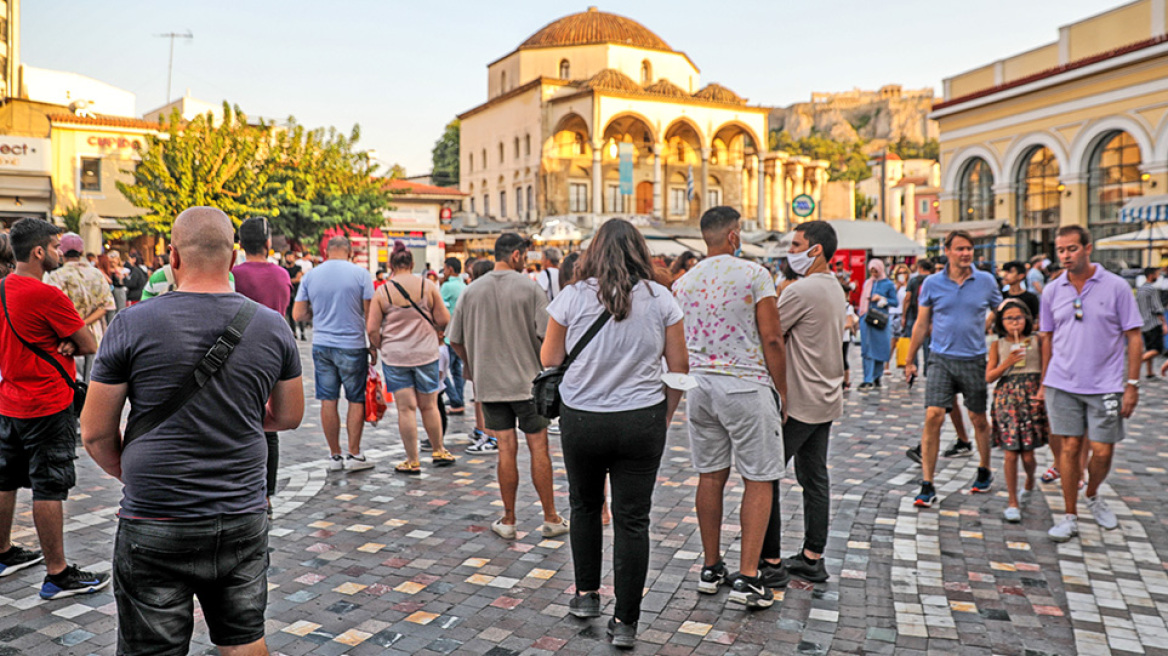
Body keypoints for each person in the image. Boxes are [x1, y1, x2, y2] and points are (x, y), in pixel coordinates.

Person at [82, 206, 304, 655]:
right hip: (241, 513)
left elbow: (94, 432)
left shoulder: (131, 323)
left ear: (173, 258)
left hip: (155, 517)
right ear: (233, 257)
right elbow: (288, 416)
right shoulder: (272, 326)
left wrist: (131, 473)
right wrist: (236, 414)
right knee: (244, 641)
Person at [541, 219, 686, 649]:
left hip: (582, 418)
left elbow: (550, 358)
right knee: (632, 520)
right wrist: (664, 416)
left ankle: (586, 596)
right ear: (640, 251)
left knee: (584, 505)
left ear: (594, 251)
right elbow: (679, 369)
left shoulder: (572, 296)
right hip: (641, 419)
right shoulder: (662, 298)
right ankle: (625, 621)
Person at [673, 206, 787, 610]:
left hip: (701, 388)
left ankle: (711, 567)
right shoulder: (755, 275)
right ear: (734, 236)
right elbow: (772, 339)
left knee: (710, 476)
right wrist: (783, 391)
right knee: (758, 478)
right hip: (745, 386)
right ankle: (749, 577)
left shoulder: (683, 283)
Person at [0, 218, 104, 600]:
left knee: (6, 478)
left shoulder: (2, 289)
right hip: (47, 403)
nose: (61, 253)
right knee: (49, 485)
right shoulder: (46, 296)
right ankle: (57, 574)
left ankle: (3, 553)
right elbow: (88, 342)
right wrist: (69, 344)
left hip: (9, 400)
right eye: (56, 247)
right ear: (39, 252)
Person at [448, 233, 568, 539]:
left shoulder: (471, 291)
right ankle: (551, 517)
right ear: (516, 255)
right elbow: (547, 336)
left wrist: (474, 366)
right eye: (525, 255)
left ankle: (510, 519)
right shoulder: (530, 289)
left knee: (505, 449)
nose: (526, 261)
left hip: (490, 384)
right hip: (528, 383)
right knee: (539, 447)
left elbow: (456, 340)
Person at [1041, 226, 1143, 542]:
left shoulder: (1116, 287)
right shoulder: (1052, 290)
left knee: (1102, 450)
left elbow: (1134, 336)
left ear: (1088, 248)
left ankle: (1093, 494)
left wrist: (1132, 384)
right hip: (1062, 383)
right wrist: (1045, 380)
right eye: (1061, 250)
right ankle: (1069, 515)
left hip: (1107, 385)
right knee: (1069, 449)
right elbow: (1046, 337)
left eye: (1072, 248)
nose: (1066, 255)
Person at [760, 220, 844, 584]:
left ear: (816, 250)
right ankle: (812, 556)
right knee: (814, 477)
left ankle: (771, 561)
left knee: (765, 476)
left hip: (799, 401)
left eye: (795, 246)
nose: (789, 252)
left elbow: (769, 335)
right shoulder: (833, 287)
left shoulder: (802, 290)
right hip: (825, 396)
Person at [904, 230, 1002, 507]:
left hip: (974, 358)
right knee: (934, 415)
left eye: (969, 248)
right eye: (960, 248)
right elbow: (922, 323)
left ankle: (984, 469)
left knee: (978, 419)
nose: (965, 253)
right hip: (940, 358)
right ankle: (927, 484)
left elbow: (1003, 309)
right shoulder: (932, 283)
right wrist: (910, 359)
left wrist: (989, 325)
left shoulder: (985, 281)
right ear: (947, 251)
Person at [367, 241, 456, 474]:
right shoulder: (427, 286)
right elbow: (444, 319)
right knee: (429, 406)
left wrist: (379, 346)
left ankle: (412, 460)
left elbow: (372, 328)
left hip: (396, 357)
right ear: (412, 264)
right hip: (426, 353)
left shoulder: (383, 291)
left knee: (406, 409)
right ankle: (438, 450)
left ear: (391, 265)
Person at [293, 236, 376, 472]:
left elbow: (298, 315)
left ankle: (335, 456)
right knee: (355, 399)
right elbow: (369, 317)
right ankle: (354, 454)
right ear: (349, 251)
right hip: (352, 344)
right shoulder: (361, 275)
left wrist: (317, 316)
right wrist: (373, 346)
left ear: (327, 252)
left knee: (328, 400)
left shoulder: (311, 275)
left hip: (322, 344)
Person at [232, 217, 294, 513]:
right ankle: (266, 494)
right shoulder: (282, 275)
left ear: (240, 245)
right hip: (272, 355)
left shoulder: (232, 275)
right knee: (269, 428)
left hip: (236, 357)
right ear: (268, 244)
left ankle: (239, 486)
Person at [987, 300, 1048, 523]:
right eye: (1009, 318)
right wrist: (1008, 362)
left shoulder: (1037, 341)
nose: (1015, 322)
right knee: (1011, 452)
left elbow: (1046, 366)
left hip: (1031, 395)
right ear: (1002, 322)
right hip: (1007, 397)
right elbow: (989, 376)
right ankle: (1012, 501)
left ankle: (1030, 479)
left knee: (1029, 454)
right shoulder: (998, 345)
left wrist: (1041, 391)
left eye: (1019, 318)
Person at [45, 232, 114, 384]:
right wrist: (84, 323)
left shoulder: (56, 276)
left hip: (67, 335)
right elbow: (106, 306)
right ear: (81, 252)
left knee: (71, 382)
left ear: (62, 252)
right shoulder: (97, 274)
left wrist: (76, 326)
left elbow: (54, 309)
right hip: (95, 334)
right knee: (93, 381)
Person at [857, 259, 897, 390]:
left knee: (881, 348)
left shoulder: (888, 284)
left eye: (876, 271)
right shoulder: (868, 283)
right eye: (871, 271)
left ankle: (877, 376)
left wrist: (881, 298)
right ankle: (867, 378)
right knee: (867, 349)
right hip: (866, 319)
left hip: (880, 320)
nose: (873, 273)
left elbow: (895, 302)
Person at [440, 257, 467, 414]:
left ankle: (455, 399)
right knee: (457, 370)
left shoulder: (447, 287)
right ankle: (459, 399)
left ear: (450, 269)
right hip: (461, 335)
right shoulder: (464, 285)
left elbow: (439, 310)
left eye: (444, 268)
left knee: (442, 371)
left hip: (449, 335)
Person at [1136, 267, 1166, 378]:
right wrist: (1164, 323)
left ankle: (1150, 373)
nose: (1158, 277)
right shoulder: (1151, 289)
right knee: (1157, 350)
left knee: (1149, 348)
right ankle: (1137, 362)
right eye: (1157, 274)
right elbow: (1157, 308)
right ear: (1151, 275)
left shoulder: (1141, 289)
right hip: (1153, 323)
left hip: (1143, 324)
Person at [282, 251, 308, 340]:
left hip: (297, 293)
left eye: (291, 257)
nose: (289, 258)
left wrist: (287, 280)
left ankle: (302, 332)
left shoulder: (298, 268)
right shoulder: (283, 268)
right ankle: (293, 332)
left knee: (299, 314)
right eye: (288, 257)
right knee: (290, 314)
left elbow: (298, 279)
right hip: (287, 293)